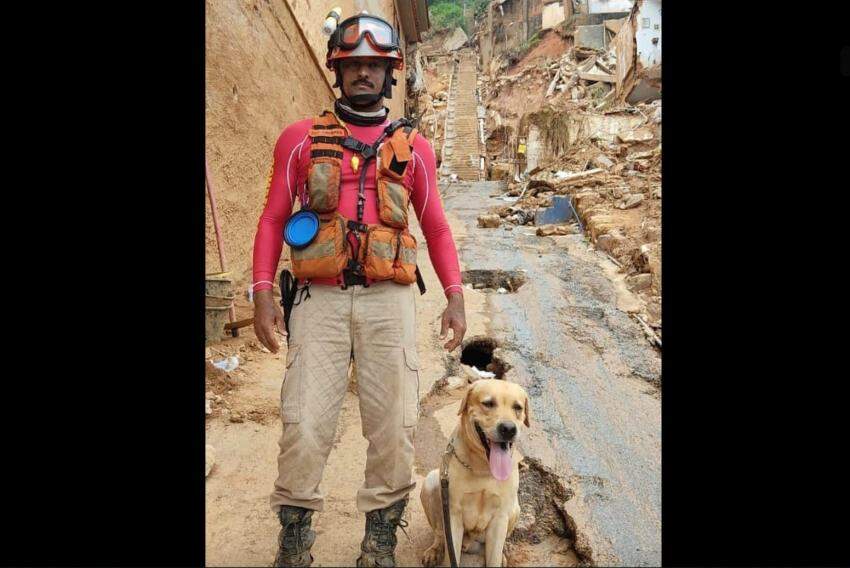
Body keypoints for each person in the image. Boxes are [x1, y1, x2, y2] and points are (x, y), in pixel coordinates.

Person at [251, 12, 467, 567]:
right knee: (304, 420)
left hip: (388, 301)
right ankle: (294, 535)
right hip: (317, 300)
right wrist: (261, 293)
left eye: (375, 65)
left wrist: (455, 294)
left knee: (394, 425)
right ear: (338, 71)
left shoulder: (415, 149)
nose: (364, 73)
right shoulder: (299, 140)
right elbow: (274, 219)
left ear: (390, 73)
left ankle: (380, 540)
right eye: (354, 65)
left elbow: (436, 225)